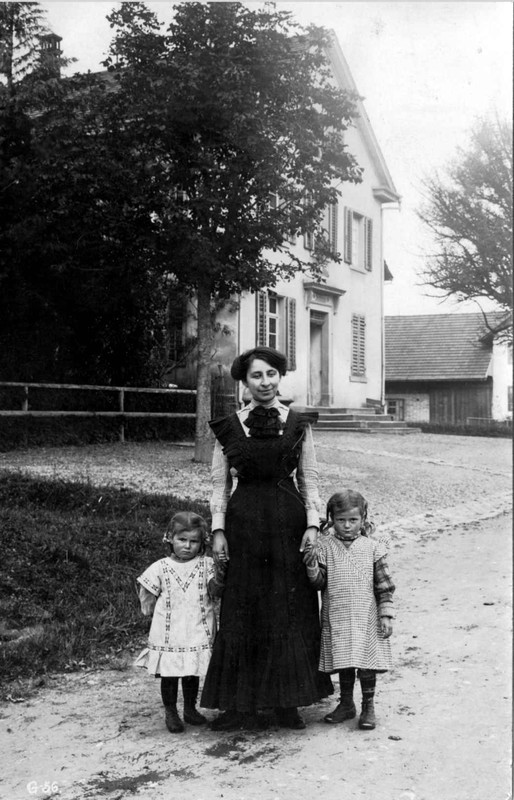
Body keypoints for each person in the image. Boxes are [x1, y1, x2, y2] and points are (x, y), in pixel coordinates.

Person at [201, 346, 333, 732]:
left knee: (289, 608)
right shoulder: (228, 426)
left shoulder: (298, 423)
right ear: (244, 381)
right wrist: (219, 530)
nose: (265, 383)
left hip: (287, 523)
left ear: (280, 377)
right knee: (243, 607)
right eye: (257, 376)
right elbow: (218, 484)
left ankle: (287, 703)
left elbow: (309, 478)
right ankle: (238, 706)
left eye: (271, 374)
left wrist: (312, 523)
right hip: (244, 525)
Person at [304, 489, 395, 730]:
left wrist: (385, 614)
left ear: (363, 519)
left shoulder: (374, 547)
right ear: (332, 518)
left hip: (366, 615)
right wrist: (311, 564)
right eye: (341, 520)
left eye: (353, 520)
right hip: (338, 615)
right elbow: (318, 583)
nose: (346, 526)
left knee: (366, 661)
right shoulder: (324, 546)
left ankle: (368, 706)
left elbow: (384, 585)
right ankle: (346, 704)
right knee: (345, 659)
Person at [135, 511, 226, 733]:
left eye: (194, 541)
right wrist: (147, 608)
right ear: (170, 539)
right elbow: (146, 589)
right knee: (170, 673)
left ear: (201, 543)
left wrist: (220, 572)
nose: (187, 546)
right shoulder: (162, 566)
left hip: (196, 625)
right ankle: (171, 712)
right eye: (182, 540)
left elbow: (215, 591)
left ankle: (189, 709)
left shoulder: (206, 565)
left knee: (191, 670)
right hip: (170, 629)